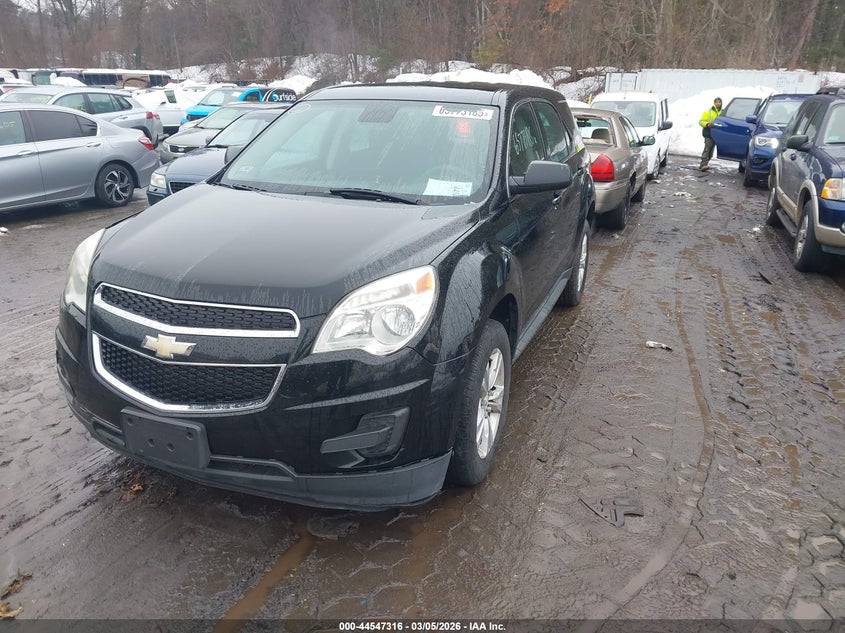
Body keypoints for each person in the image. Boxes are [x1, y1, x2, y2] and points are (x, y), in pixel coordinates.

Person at [699, 97, 723, 171]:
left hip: (718, 134)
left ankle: (705, 163)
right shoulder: (708, 112)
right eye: (716, 102)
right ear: (714, 103)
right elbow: (701, 121)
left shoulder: (723, 112)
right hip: (709, 133)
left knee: (711, 151)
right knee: (707, 149)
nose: (718, 103)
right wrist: (707, 124)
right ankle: (703, 165)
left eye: (719, 102)